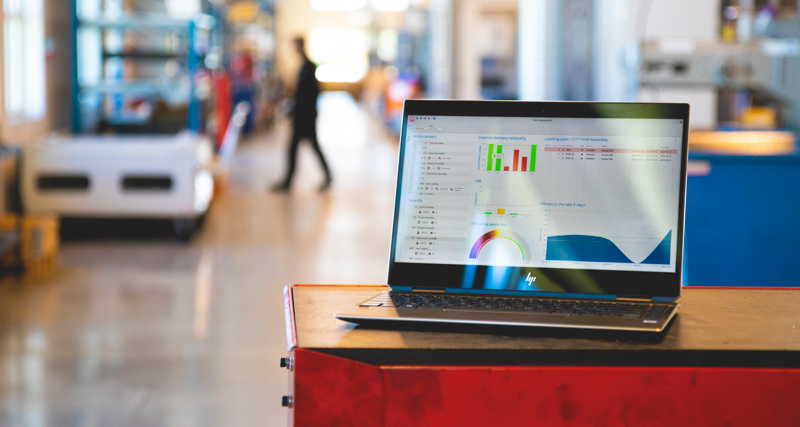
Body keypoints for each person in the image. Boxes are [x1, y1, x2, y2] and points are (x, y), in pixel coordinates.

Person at [272, 37, 332, 192]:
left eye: (295, 45)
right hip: (301, 114)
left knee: (304, 147)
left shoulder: (309, 66)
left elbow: (311, 92)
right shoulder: (302, 66)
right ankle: (290, 181)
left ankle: (290, 182)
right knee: (299, 148)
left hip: (306, 116)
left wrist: (307, 112)